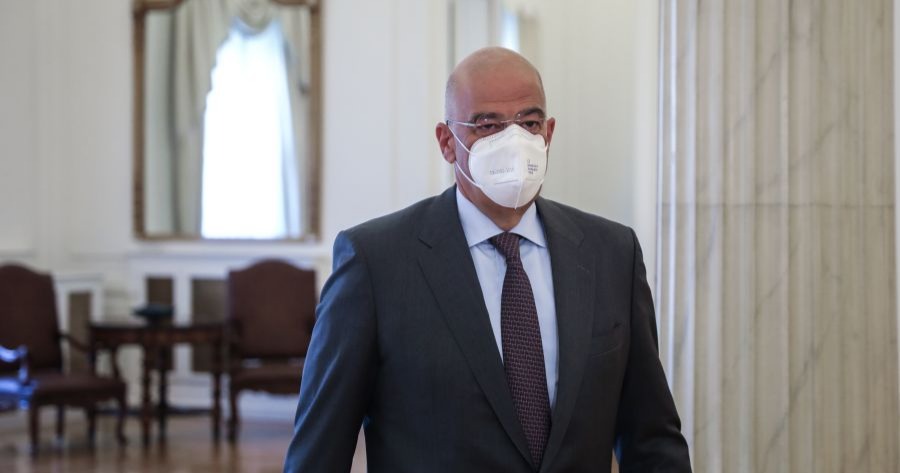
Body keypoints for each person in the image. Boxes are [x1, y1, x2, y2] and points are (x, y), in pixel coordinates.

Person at [284, 47, 691, 473]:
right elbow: (318, 453)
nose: (513, 142)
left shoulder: (612, 254)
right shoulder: (376, 263)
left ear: (549, 133)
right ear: (447, 142)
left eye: (529, 123)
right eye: (488, 125)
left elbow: (652, 439)